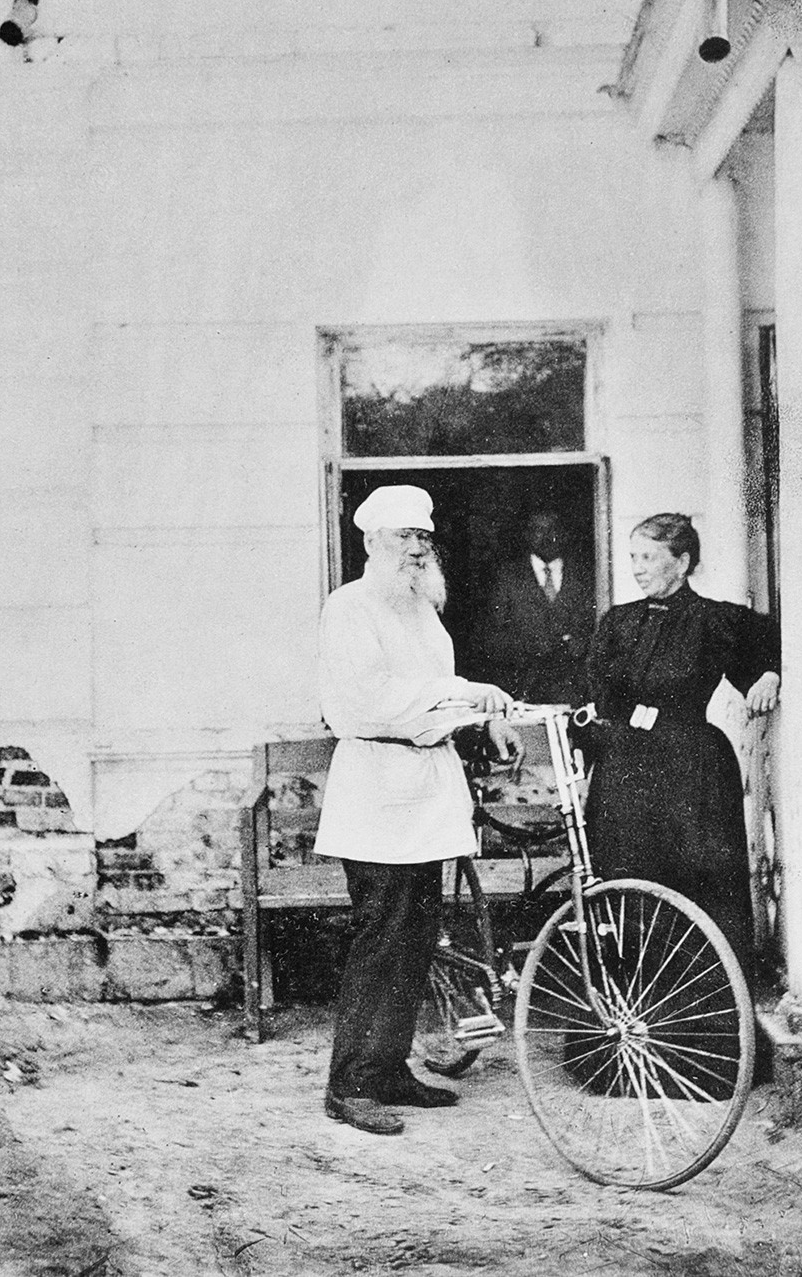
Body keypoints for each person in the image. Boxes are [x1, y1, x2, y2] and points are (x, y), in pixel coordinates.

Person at [315, 484, 523, 1136]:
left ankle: (389, 1069)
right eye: (403, 537)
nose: (416, 549)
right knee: (380, 940)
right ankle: (349, 1085)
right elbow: (367, 701)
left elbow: (435, 701)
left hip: (425, 794)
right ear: (373, 542)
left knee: (416, 940)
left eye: (423, 538)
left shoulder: (422, 612)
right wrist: (461, 694)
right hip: (375, 791)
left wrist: (480, 720)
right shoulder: (350, 608)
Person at [583, 513, 780, 985]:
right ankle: (629, 1018)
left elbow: (770, 650)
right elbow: (592, 696)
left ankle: (705, 1026)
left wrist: (769, 674)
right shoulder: (617, 622)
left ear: (682, 561)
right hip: (624, 769)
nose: (638, 567)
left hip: (692, 769)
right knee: (627, 887)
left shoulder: (717, 620)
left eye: (649, 557)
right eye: (633, 556)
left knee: (697, 886)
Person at [472, 508, 595, 704]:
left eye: (552, 530)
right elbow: (492, 637)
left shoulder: (585, 575)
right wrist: (532, 647)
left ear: (563, 533)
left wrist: (576, 645)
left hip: (574, 688)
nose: (546, 537)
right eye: (538, 530)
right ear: (527, 534)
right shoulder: (507, 577)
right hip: (523, 688)